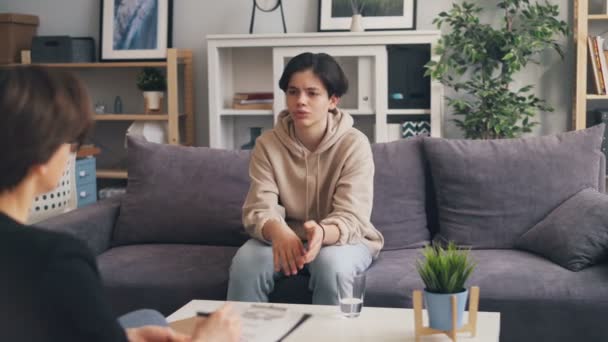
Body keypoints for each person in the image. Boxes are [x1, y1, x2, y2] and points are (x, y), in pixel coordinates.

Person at [0, 66, 241, 342]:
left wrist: (126, 337)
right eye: (72, 140)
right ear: (41, 156)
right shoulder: (55, 260)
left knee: (148, 318)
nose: (71, 152)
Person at [227, 52, 384, 304]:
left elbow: (353, 216)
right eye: (293, 91)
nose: (300, 101)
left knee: (331, 266)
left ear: (333, 100)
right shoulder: (267, 145)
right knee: (247, 264)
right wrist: (279, 231)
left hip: (340, 240)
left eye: (312, 93)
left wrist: (322, 232)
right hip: (283, 237)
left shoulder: (354, 144)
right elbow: (259, 207)